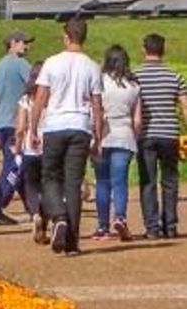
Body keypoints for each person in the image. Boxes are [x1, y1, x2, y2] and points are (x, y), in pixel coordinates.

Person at [30, 17, 104, 256]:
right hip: (80, 126)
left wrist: (33, 129)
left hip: (55, 125)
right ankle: (72, 241)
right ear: (84, 37)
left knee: (50, 176)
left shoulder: (51, 63)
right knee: (73, 182)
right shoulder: (92, 66)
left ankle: (59, 217)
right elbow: (97, 105)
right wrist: (98, 136)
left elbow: (40, 98)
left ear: (66, 37)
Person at [132, 33, 187, 239]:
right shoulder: (175, 77)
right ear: (163, 51)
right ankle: (170, 225)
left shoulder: (135, 76)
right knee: (170, 180)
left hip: (145, 134)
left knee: (148, 181)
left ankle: (152, 227)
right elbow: (184, 107)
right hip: (169, 133)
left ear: (144, 49)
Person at [0, 31, 33, 226]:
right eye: (24, 43)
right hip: (16, 123)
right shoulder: (21, 64)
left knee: (18, 166)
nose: (27, 46)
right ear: (13, 43)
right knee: (14, 166)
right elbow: (36, 86)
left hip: (0, 123)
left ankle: (33, 207)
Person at [93, 45, 141, 241]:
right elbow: (137, 120)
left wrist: (95, 137)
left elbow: (95, 110)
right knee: (119, 182)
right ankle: (120, 217)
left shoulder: (100, 82)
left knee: (102, 183)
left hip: (103, 135)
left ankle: (102, 226)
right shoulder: (134, 85)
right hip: (125, 135)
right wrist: (135, 139)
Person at [14, 62, 48, 244]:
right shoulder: (51, 97)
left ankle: (35, 213)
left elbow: (20, 128)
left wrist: (18, 149)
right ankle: (45, 218)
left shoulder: (26, 100)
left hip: (30, 148)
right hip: (49, 146)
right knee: (48, 185)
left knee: (31, 185)